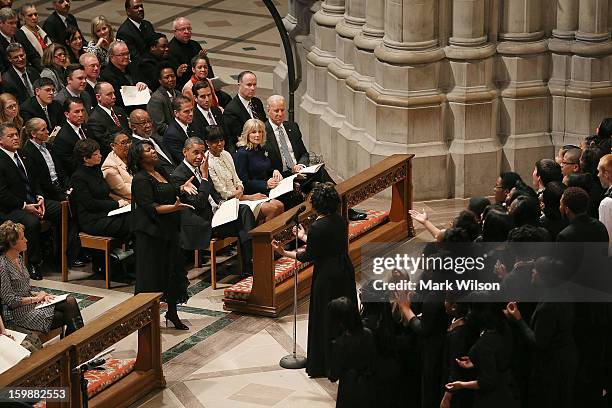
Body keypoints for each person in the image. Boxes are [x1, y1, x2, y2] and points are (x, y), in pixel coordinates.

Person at [272, 182, 358, 378]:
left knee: (325, 317)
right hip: (344, 270)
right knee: (343, 315)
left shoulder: (319, 226)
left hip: (327, 276)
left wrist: (283, 252)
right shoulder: (340, 220)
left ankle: (324, 363)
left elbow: (308, 256)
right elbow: (327, 243)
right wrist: (304, 236)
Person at [128, 139, 195, 330]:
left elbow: (172, 189)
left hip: (169, 229)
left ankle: (172, 313)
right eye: (148, 150)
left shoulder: (161, 171)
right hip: (151, 233)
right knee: (151, 275)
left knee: (172, 271)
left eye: (152, 148)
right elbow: (151, 208)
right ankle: (144, 318)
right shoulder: (140, 179)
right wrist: (174, 207)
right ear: (140, 158)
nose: (153, 152)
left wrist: (182, 188)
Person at [172, 137, 256, 276]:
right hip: (203, 222)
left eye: (202, 152)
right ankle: (249, 263)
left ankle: (250, 263)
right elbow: (199, 203)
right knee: (243, 224)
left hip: (217, 213)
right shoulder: (179, 175)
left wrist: (223, 204)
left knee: (244, 210)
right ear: (185, 152)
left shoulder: (201, 168)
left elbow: (214, 194)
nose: (200, 157)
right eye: (195, 152)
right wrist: (205, 177)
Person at [505, 257, 578, 408]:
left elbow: (539, 342)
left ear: (544, 277)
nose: (533, 272)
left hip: (552, 365)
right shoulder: (564, 292)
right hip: (567, 358)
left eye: (536, 270)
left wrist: (518, 319)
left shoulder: (548, 306)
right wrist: (528, 263)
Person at [0, 220, 84, 335]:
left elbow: (25, 289)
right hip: (18, 313)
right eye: (22, 238)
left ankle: (76, 345)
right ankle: (77, 345)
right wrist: (36, 299)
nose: (26, 240)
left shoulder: (18, 258)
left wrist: (41, 294)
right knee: (67, 314)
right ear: (12, 243)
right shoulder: (2, 266)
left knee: (70, 301)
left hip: (30, 304)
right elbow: (10, 300)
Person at [0, 123, 61, 280]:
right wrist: (25, 206)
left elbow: (35, 180)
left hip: (33, 201)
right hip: (10, 208)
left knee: (62, 209)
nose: (15, 138)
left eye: (16, 134)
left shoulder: (24, 154)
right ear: (0, 140)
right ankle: (34, 263)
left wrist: (40, 197)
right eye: (10, 136)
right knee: (32, 222)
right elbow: (2, 194)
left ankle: (59, 255)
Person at [445, 294, 520, 408]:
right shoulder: (503, 328)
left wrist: (461, 385)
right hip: (510, 390)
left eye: (471, 309)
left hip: (492, 399)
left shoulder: (484, 344)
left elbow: (487, 382)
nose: (469, 313)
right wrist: (475, 361)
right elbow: (498, 358)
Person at [205, 127, 283, 222]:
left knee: (279, 205)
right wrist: (248, 197)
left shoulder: (226, 154)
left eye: (221, 140)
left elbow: (237, 178)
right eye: (215, 142)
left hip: (240, 195)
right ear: (207, 143)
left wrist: (240, 188)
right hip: (226, 203)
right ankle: (261, 236)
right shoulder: (207, 162)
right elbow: (222, 193)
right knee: (272, 209)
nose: (220, 144)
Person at [70, 138, 131, 239]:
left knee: (137, 215)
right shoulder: (78, 177)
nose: (100, 156)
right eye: (96, 154)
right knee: (133, 221)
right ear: (85, 158)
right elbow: (90, 204)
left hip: (106, 213)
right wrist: (117, 204)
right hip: (92, 220)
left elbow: (105, 193)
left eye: (99, 153)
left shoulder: (96, 169)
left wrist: (121, 203)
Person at [327, 296, 376, 408]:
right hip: (368, 387)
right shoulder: (368, 333)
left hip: (348, 389)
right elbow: (373, 362)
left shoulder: (340, 344)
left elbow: (333, 376)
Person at [21, 117, 67, 202]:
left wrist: (67, 187)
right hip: (48, 193)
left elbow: (60, 170)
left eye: (46, 128)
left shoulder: (49, 147)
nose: (47, 132)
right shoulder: (27, 153)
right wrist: (62, 192)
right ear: (33, 134)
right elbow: (40, 180)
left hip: (60, 186)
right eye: (43, 130)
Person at [223, 71, 266, 150]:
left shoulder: (257, 102)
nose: (252, 88)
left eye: (254, 85)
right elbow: (236, 138)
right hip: (246, 149)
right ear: (239, 85)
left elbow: (264, 124)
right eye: (249, 85)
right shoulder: (231, 110)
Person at [99, 40, 147, 110]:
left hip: (143, 106)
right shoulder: (106, 75)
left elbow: (146, 83)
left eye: (127, 53)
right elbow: (116, 101)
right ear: (112, 56)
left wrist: (143, 85)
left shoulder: (133, 66)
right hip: (124, 110)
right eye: (122, 55)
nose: (126, 57)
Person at [168, 17, 214, 89]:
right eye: (183, 29)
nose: (187, 31)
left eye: (189, 29)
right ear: (174, 31)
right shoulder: (171, 49)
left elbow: (206, 65)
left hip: (202, 82)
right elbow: (176, 74)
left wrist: (212, 81)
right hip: (184, 85)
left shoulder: (195, 44)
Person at [86, 81, 129, 157]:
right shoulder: (94, 119)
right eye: (109, 94)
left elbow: (128, 130)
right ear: (98, 97)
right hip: (113, 156)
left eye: (113, 93)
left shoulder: (119, 110)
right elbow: (105, 143)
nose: (114, 97)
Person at [130, 109, 176, 175]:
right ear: (133, 127)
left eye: (149, 121)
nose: (148, 125)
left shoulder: (155, 139)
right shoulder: (135, 147)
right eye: (143, 123)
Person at [53, 97, 90, 176]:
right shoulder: (62, 138)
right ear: (67, 114)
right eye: (76, 112)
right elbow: (70, 165)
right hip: (79, 175)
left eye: (82, 111)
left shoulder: (86, 127)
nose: (81, 115)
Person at [147, 63, 181, 136]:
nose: (171, 79)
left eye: (173, 76)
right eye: (166, 77)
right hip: (167, 137)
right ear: (160, 80)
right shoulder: (156, 99)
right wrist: (181, 131)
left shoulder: (179, 94)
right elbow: (160, 127)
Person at [15, 4, 50, 72]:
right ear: (23, 17)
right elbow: (32, 58)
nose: (34, 17)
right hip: (39, 69)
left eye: (35, 14)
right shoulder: (22, 34)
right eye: (30, 15)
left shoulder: (40, 29)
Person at [162, 94, 197, 163]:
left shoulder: (193, 124)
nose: (191, 114)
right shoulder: (171, 135)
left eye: (192, 110)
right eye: (186, 111)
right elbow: (183, 159)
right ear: (176, 113)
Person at [191, 80, 226, 147]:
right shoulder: (193, 117)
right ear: (195, 98)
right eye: (203, 96)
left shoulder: (217, 111)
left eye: (209, 95)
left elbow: (227, 135)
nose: (207, 99)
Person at [102, 132, 132, 201]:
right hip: (131, 202)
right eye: (123, 143)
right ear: (113, 146)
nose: (128, 145)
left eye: (129, 142)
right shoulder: (109, 166)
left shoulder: (134, 155)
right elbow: (125, 191)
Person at [597, 154, 612, 251]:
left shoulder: (607, 203)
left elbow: (607, 239)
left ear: (606, 174)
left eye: (599, 171)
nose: (597, 175)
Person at [0, 7, 18, 73]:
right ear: (1, 23)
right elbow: (3, 70)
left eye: (15, 22)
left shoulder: (19, 34)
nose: (15, 26)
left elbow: (32, 56)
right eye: (10, 23)